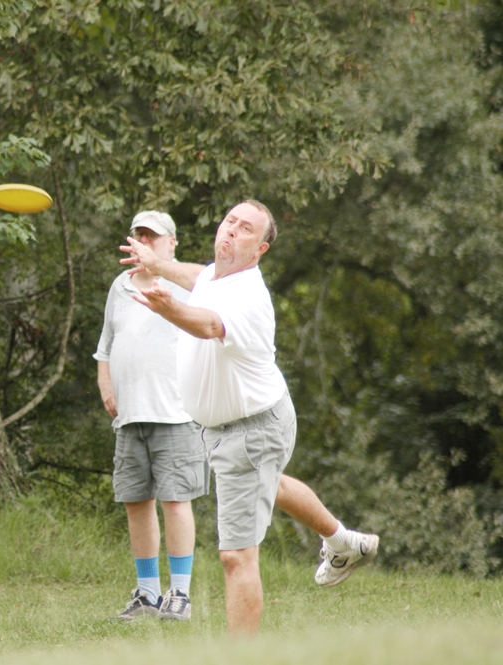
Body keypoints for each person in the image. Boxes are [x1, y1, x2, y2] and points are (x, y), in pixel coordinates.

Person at [120, 200, 379, 635]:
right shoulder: (215, 276)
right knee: (270, 482)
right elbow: (195, 276)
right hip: (252, 423)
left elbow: (207, 324)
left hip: (251, 430)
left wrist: (169, 309)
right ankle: (343, 542)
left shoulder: (248, 296)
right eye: (230, 222)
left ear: (259, 249)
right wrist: (158, 263)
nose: (232, 231)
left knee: (236, 556)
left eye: (245, 230)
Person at [94, 211, 208, 622]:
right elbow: (105, 346)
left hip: (176, 413)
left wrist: (165, 270)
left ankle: (179, 594)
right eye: (138, 235)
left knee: (176, 502)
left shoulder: (188, 285)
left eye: (152, 237)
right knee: (136, 503)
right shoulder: (119, 287)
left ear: (171, 242)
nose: (143, 241)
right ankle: (147, 595)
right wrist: (106, 386)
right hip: (130, 416)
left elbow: (211, 300)